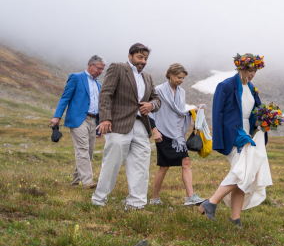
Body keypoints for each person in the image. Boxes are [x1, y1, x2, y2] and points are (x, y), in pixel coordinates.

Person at [198, 53, 271, 227]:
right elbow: (218, 114)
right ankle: (211, 203)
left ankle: (235, 218)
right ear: (241, 67)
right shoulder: (225, 86)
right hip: (234, 136)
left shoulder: (252, 88)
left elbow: (254, 112)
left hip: (249, 134)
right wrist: (222, 140)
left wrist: (265, 121)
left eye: (255, 71)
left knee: (242, 175)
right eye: (250, 70)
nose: (253, 74)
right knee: (242, 173)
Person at [91, 43, 161, 210]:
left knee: (141, 165)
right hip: (118, 124)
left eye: (145, 58)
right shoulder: (117, 68)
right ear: (130, 56)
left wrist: (151, 105)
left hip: (141, 126)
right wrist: (105, 118)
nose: (143, 61)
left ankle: (136, 203)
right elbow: (106, 94)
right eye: (140, 57)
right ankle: (99, 199)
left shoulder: (148, 77)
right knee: (112, 163)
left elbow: (157, 99)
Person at [148, 63, 205, 206]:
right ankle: (155, 198)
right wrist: (155, 130)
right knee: (164, 166)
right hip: (163, 132)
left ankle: (190, 197)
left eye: (183, 78)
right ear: (170, 75)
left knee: (186, 162)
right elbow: (150, 111)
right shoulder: (159, 90)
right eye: (179, 77)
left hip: (177, 134)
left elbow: (180, 110)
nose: (181, 80)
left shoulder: (181, 92)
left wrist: (193, 110)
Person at [51, 55, 106, 188]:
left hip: (93, 121)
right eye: (99, 68)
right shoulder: (76, 77)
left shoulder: (98, 84)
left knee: (89, 152)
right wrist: (57, 116)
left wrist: (99, 126)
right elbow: (65, 98)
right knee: (82, 149)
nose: (100, 71)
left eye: (102, 69)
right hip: (78, 119)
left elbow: (99, 106)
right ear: (90, 65)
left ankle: (75, 182)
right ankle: (87, 182)